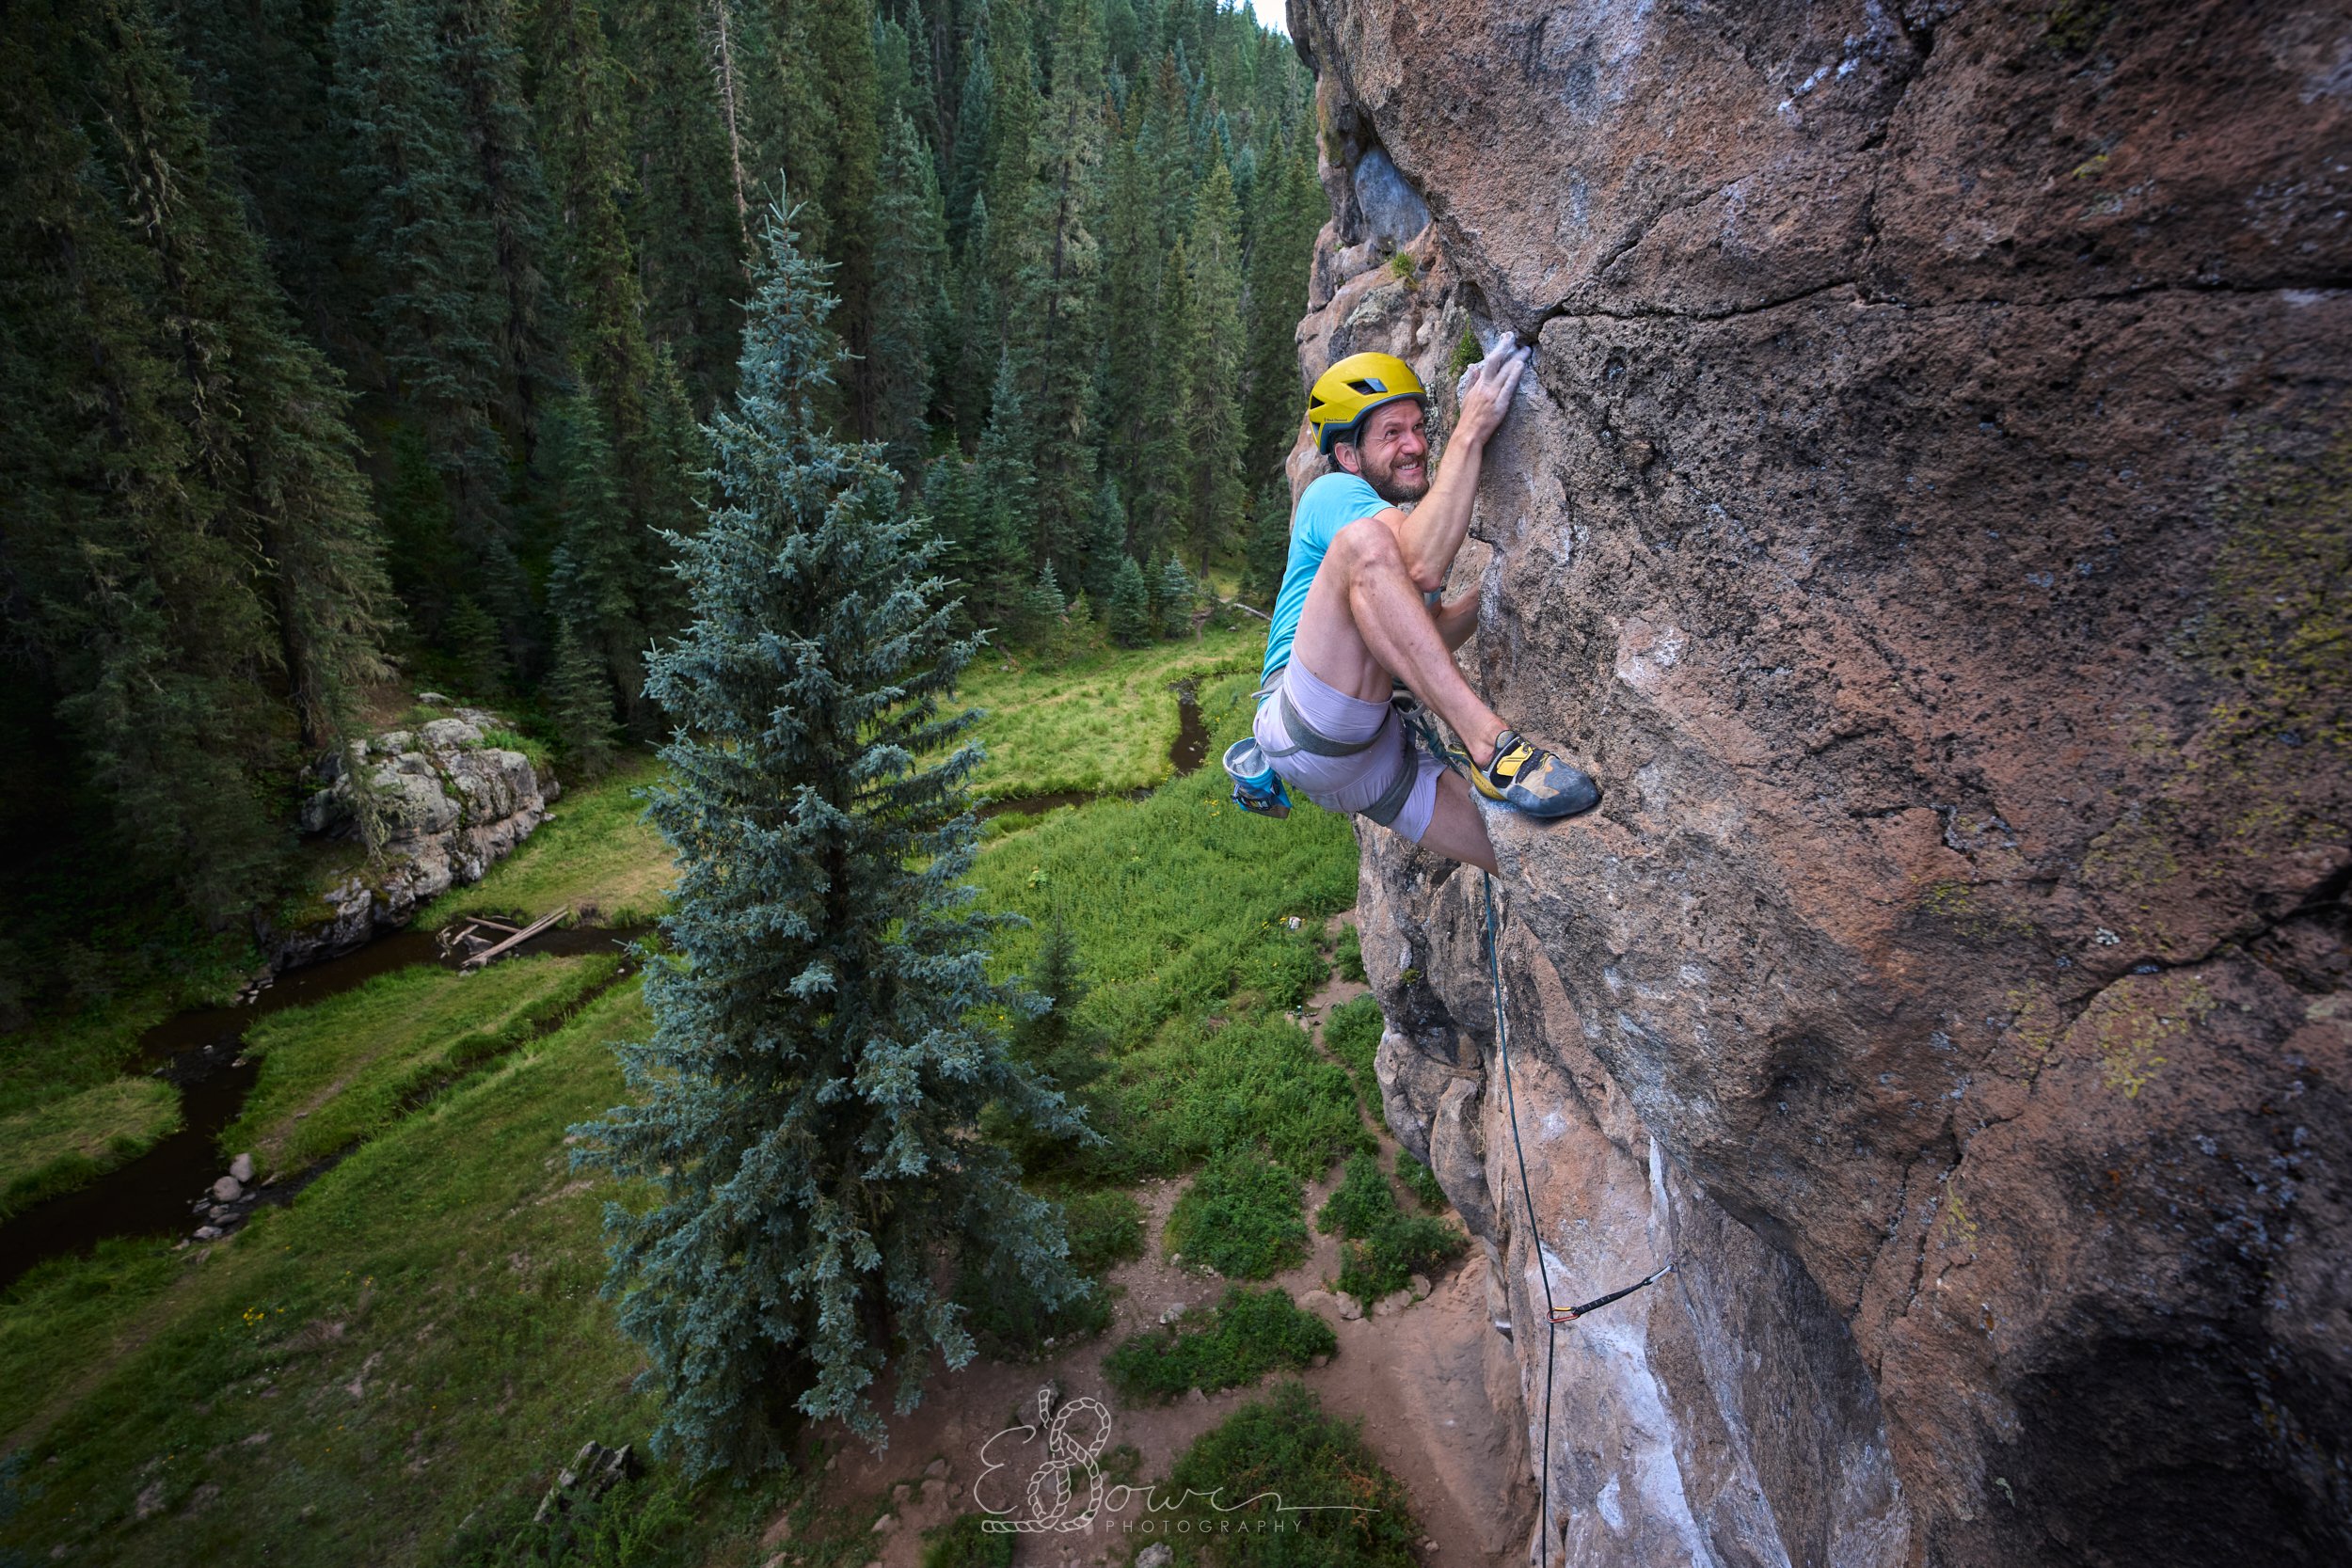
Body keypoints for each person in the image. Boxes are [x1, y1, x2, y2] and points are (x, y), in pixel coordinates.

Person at [1250, 341, 1599, 872]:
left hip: (1369, 762)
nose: (1415, 445)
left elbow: (1420, 640)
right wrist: (1471, 431)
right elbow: (1416, 565)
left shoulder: (1388, 556)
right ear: (1348, 456)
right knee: (1363, 545)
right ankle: (1491, 745)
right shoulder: (1332, 495)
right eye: (1392, 433)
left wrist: (1512, 586)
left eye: (1419, 428)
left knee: (1546, 865)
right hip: (1307, 723)